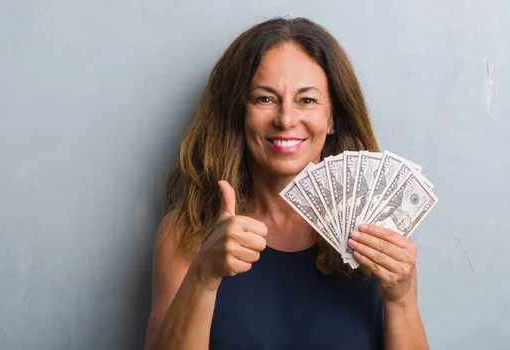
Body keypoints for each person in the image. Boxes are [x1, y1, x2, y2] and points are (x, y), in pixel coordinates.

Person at [144, 17, 429, 350]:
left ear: (332, 117)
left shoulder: (379, 230)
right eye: (265, 99)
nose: (286, 119)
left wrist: (401, 300)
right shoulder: (185, 233)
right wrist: (203, 277)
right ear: (239, 113)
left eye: (307, 100)